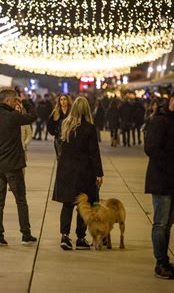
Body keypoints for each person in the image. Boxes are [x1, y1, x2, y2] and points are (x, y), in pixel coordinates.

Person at [0, 88, 37, 247]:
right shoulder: (13, 117)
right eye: (14, 100)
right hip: (14, 166)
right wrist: (24, 101)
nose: (15, 103)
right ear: (9, 101)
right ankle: (25, 234)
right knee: (20, 200)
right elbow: (33, 116)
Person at [144, 88, 174, 279]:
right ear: (172, 100)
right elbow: (151, 149)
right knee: (161, 223)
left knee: (168, 224)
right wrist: (171, 165)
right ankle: (160, 263)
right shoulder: (160, 119)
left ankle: (164, 260)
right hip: (162, 180)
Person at [52, 97, 103, 250]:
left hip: (66, 171)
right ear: (87, 110)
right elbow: (94, 153)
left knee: (67, 204)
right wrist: (99, 173)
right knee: (83, 204)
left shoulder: (65, 125)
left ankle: (65, 236)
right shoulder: (89, 128)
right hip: (84, 172)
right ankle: (80, 237)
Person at [16, 103, 33, 173]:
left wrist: (25, 144)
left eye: (19, 108)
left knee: (22, 170)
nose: (17, 109)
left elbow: (29, 135)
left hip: (22, 149)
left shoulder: (25, 120)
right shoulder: (8, 120)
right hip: (11, 149)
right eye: (16, 107)